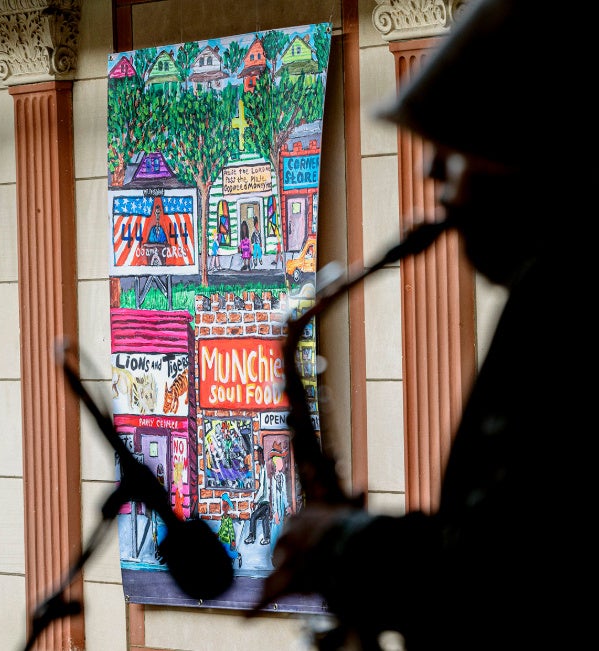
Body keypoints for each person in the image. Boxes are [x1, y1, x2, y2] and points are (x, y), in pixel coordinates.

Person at [253, 1, 597, 650]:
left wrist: (342, 542)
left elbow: (505, 581)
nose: (429, 170)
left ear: (530, 147)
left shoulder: (564, 306)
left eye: (455, 144)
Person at [245, 445, 271, 545]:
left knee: (253, 516)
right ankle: (266, 538)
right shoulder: (263, 468)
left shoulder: (265, 469)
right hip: (265, 501)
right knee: (265, 518)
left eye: (256, 454)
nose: (255, 457)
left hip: (266, 501)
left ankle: (252, 536)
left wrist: (255, 501)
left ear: (261, 454)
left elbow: (262, 488)